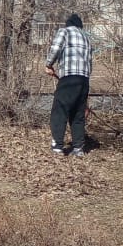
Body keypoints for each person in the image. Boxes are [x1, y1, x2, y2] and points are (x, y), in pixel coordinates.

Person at [45, 13, 94, 156]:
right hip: (84, 79)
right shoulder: (86, 37)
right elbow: (90, 62)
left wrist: (49, 64)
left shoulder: (64, 32)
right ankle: (78, 148)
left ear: (68, 23)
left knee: (60, 110)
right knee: (78, 113)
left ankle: (57, 146)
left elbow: (55, 48)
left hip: (68, 78)